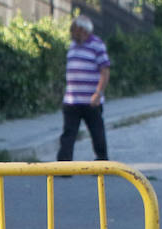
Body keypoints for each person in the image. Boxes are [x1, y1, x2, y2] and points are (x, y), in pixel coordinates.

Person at [57, 15, 111, 162]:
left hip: (91, 100)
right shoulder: (73, 45)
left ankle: (102, 162)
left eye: (74, 30)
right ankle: (63, 165)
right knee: (68, 134)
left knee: (97, 133)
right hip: (72, 100)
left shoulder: (97, 45)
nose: (72, 33)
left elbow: (105, 71)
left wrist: (98, 93)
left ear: (83, 30)